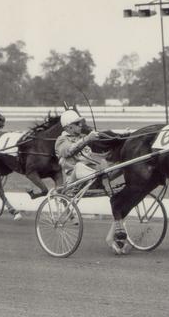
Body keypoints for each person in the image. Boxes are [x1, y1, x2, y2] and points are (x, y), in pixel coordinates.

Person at [55, 108, 131, 255]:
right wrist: (87, 139)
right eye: (77, 124)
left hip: (92, 176)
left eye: (80, 123)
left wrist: (121, 135)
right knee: (79, 166)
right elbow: (68, 151)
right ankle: (102, 175)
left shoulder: (81, 137)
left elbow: (94, 153)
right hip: (74, 178)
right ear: (68, 126)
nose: (80, 126)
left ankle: (117, 228)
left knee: (119, 164)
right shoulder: (61, 140)